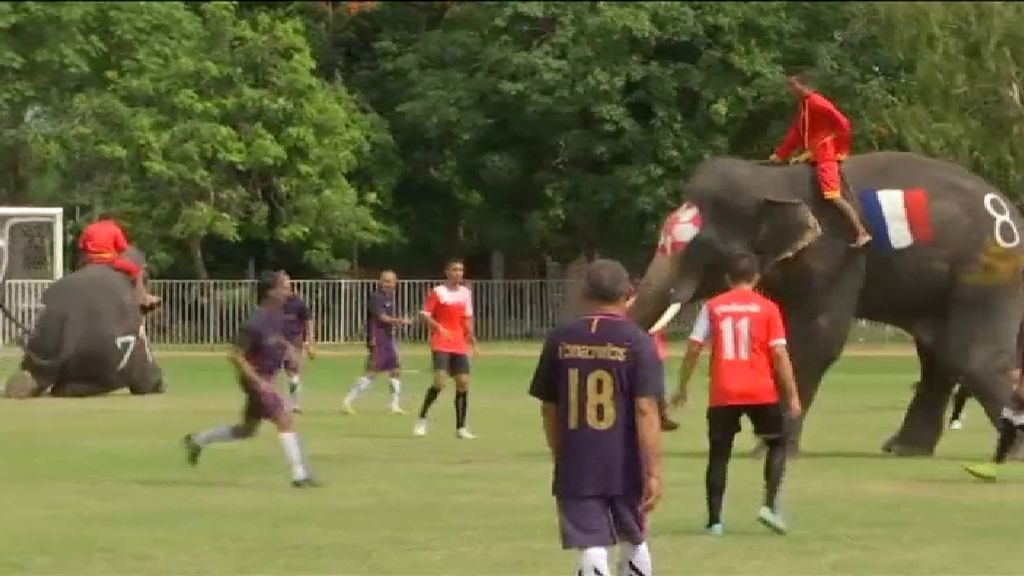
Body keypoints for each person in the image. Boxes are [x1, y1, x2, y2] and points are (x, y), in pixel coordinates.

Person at [529, 259, 663, 576]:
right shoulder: (638, 342)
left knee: (591, 543)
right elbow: (646, 409)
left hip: (579, 458)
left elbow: (549, 407)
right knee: (634, 536)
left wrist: (560, 452)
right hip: (626, 461)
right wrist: (654, 470)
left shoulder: (560, 339)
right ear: (628, 293)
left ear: (584, 293)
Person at [671, 252, 802, 536]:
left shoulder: (713, 307)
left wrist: (682, 387)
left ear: (727, 279)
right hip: (760, 389)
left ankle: (715, 521)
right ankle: (769, 506)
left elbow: (694, 347)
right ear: (756, 277)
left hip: (723, 391)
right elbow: (779, 354)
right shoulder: (768, 308)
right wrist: (791, 395)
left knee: (719, 455)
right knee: (777, 444)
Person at [182, 270, 316, 488]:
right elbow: (234, 354)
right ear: (270, 292)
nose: (289, 291)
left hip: (265, 379)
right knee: (285, 419)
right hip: (255, 380)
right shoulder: (254, 321)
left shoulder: (277, 316)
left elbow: (275, 340)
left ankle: (197, 441)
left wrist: (288, 350)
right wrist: (258, 381)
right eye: (284, 287)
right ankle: (299, 475)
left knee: (247, 429)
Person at [769, 74, 872, 248]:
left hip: (825, 156)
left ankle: (861, 232)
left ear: (804, 85)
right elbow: (798, 132)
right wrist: (780, 155)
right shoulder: (805, 106)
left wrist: (834, 148)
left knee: (833, 196)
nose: (791, 90)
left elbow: (843, 124)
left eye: (793, 86)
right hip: (815, 154)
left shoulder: (817, 102)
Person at [414, 259, 479, 439]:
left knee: (463, 382)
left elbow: (467, 316)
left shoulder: (465, 293)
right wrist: (439, 327)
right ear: (447, 272)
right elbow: (424, 314)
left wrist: (471, 336)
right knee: (440, 381)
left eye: (461, 270)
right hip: (441, 341)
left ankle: (461, 427)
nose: (458, 273)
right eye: (455, 269)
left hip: (458, 342)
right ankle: (422, 418)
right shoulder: (438, 292)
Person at [343, 270, 412, 415]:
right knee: (371, 372)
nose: (389, 284)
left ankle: (394, 405)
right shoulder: (376, 297)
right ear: (380, 282)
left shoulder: (391, 297)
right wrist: (400, 321)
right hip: (377, 339)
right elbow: (382, 318)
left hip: (388, 338)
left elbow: (392, 317)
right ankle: (348, 401)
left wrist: (401, 319)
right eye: (386, 281)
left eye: (392, 281)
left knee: (396, 369)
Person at [78, 214, 161, 308]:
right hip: (108, 260)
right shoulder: (114, 229)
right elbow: (123, 247)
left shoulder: (89, 228)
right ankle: (142, 298)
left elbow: (81, 245)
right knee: (136, 270)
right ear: (111, 220)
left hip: (90, 260)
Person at [281, 274, 313, 414]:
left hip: (295, 340)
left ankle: (295, 404)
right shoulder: (276, 302)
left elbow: (308, 321)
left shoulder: (298, 303)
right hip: (277, 340)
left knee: (293, 372)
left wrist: (310, 340)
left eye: (286, 287)